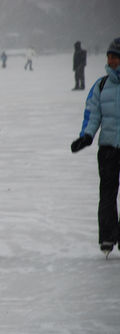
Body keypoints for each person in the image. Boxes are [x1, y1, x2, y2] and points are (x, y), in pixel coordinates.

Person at [70, 37, 120, 257]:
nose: (111, 60)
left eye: (115, 57)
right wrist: (86, 136)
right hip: (108, 149)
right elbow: (93, 114)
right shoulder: (101, 85)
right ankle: (108, 237)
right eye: (109, 56)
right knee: (107, 194)